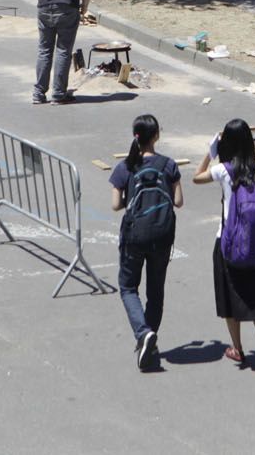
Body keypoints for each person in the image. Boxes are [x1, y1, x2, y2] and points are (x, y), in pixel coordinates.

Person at [192, 118, 255, 376]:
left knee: (229, 299)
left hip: (228, 244)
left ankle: (237, 348)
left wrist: (209, 153)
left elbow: (196, 178)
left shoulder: (224, 170)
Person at [109, 114, 184, 372]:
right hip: (162, 236)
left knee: (128, 287)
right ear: (156, 136)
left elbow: (116, 205)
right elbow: (178, 201)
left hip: (134, 236)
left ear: (135, 136)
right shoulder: (168, 164)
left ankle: (143, 334)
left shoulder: (125, 167)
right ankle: (148, 337)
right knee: (156, 292)